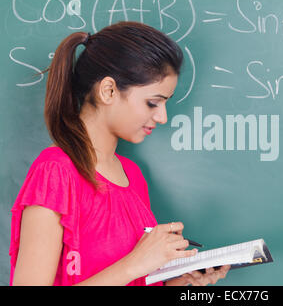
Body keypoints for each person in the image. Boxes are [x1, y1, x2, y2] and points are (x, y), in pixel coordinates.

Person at [9, 21, 230, 286]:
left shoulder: (133, 176)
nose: (162, 117)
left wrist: (179, 281)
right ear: (109, 90)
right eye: (152, 103)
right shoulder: (55, 172)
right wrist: (136, 264)